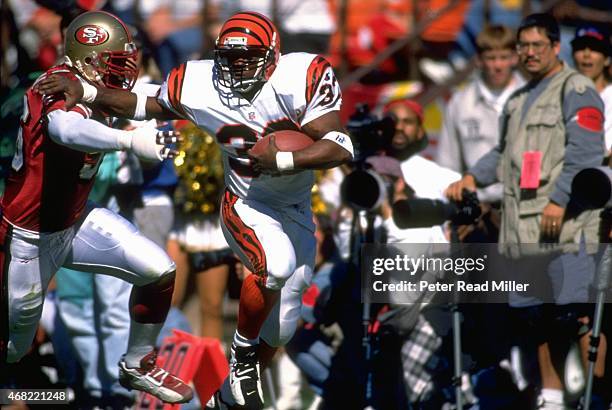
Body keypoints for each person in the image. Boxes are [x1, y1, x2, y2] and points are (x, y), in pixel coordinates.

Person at [37, 11, 353, 409]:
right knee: (275, 266)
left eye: (248, 57)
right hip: (247, 201)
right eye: (229, 56)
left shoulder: (301, 75)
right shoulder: (200, 82)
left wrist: (285, 161)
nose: (237, 66)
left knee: (284, 324)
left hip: (295, 204)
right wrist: (85, 93)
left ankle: (227, 397)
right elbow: (143, 103)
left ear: (273, 55)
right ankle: (239, 363)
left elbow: (341, 144)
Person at [0, 10, 194, 404]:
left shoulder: (94, 88)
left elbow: (150, 101)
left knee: (158, 270)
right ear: (89, 58)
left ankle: (137, 363)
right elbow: (65, 129)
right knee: (12, 348)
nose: (123, 72)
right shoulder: (57, 83)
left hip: (74, 223)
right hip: (27, 236)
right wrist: (128, 142)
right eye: (115, 62)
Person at [445, 13, 606, 410]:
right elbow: (503, 154)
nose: (529, 53)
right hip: (525, 232)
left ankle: (600, 395)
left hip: (567, 229)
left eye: (538, 45)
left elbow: (586, 155)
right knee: (540, 321)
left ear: (555, 47)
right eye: (524, 46)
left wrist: (560, 198)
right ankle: (551, 398)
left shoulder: (578, 89)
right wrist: (471, 178)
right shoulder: (518, 99)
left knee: (577, 317)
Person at [437, 24, 524, 205]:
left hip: (522, 204)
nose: (498, 65)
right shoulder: (460, 103)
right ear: (478, 60)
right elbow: (447, 165)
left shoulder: (532, 99)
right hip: (477, 206)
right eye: (491, 58)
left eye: (504, 57)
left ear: (515, 58)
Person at [571, 25, 612, 157]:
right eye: (581, 47)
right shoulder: (563, 96)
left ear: (607, 59)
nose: (586, 54)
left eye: (594, 48)